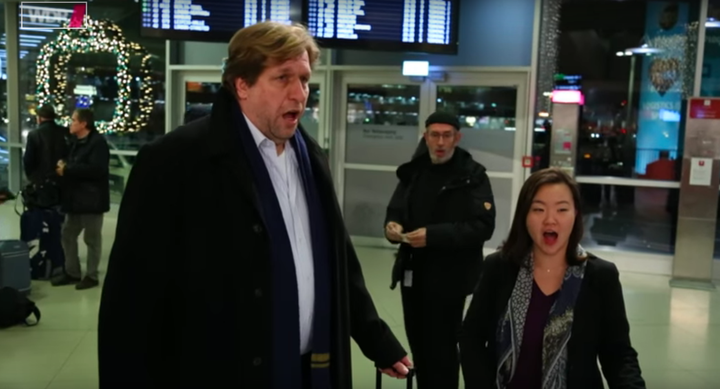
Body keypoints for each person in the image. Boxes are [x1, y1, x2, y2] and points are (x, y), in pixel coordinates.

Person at [97, 21, 411, 389]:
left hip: (315, 369)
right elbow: (131, 300)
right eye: (282, 78)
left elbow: (335, 260)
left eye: (305, 79)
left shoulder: (311, 158)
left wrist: (375, 338)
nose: (299, 94)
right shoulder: (176, 161)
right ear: (241, 85)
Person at [459, 168, 645, 389]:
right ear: (524, 216)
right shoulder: (498, 268)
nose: (550, 220)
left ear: (575, 214)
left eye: (562, 209)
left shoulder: (601, 276)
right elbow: (472, 339)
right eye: (538, 209)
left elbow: (618, 355)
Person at [384, 112, 496, 389]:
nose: (440, 142)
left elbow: (482, 226)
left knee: (443, 348)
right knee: (419, 344)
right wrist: (392, 226)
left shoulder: (472, 175)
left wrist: (433, 236)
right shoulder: (415, 171)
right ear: (426, 136)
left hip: (450, 278)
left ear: (457, 138)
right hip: (413, 275)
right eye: (434, 134)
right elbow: (395, 209)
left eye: (447, 135)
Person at [51, 108, 110, 290]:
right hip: (74, 199)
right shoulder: (75, 142)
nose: (71, 123)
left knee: (92, 240)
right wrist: (64, 165)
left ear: (84, 123)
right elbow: (74, 163)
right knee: (68, 234)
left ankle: (91, 276)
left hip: (92, 200)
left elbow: (96, 170)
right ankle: (72, 272)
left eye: (74, 120)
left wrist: (68, 170)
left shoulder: (98, 143)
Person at [23, 104, 69, 185]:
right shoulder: (65, 132)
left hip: (41, 180)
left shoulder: (34, 134)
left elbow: (28, 159)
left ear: (40, 118)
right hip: (62, 179)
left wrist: (32, 178)